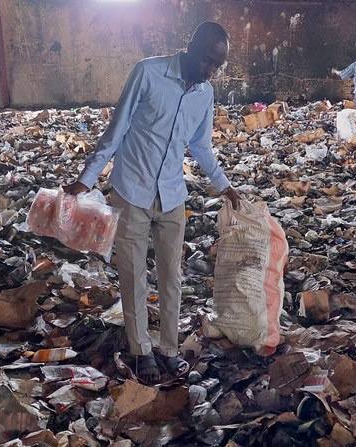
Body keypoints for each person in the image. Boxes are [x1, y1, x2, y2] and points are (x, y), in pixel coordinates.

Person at [64, 21, 240, 384]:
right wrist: (86, 179)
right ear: (191, 46)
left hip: (173, 194)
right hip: (132, 191)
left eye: (217, 67)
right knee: (133, 275)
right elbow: (118, 129)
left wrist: (223, 185)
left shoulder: (204, 94)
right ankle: (141, 350)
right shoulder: (148, 73)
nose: (210, 71)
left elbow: (200, 146)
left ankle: (169, 350)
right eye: (207, 61)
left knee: (172, 276)